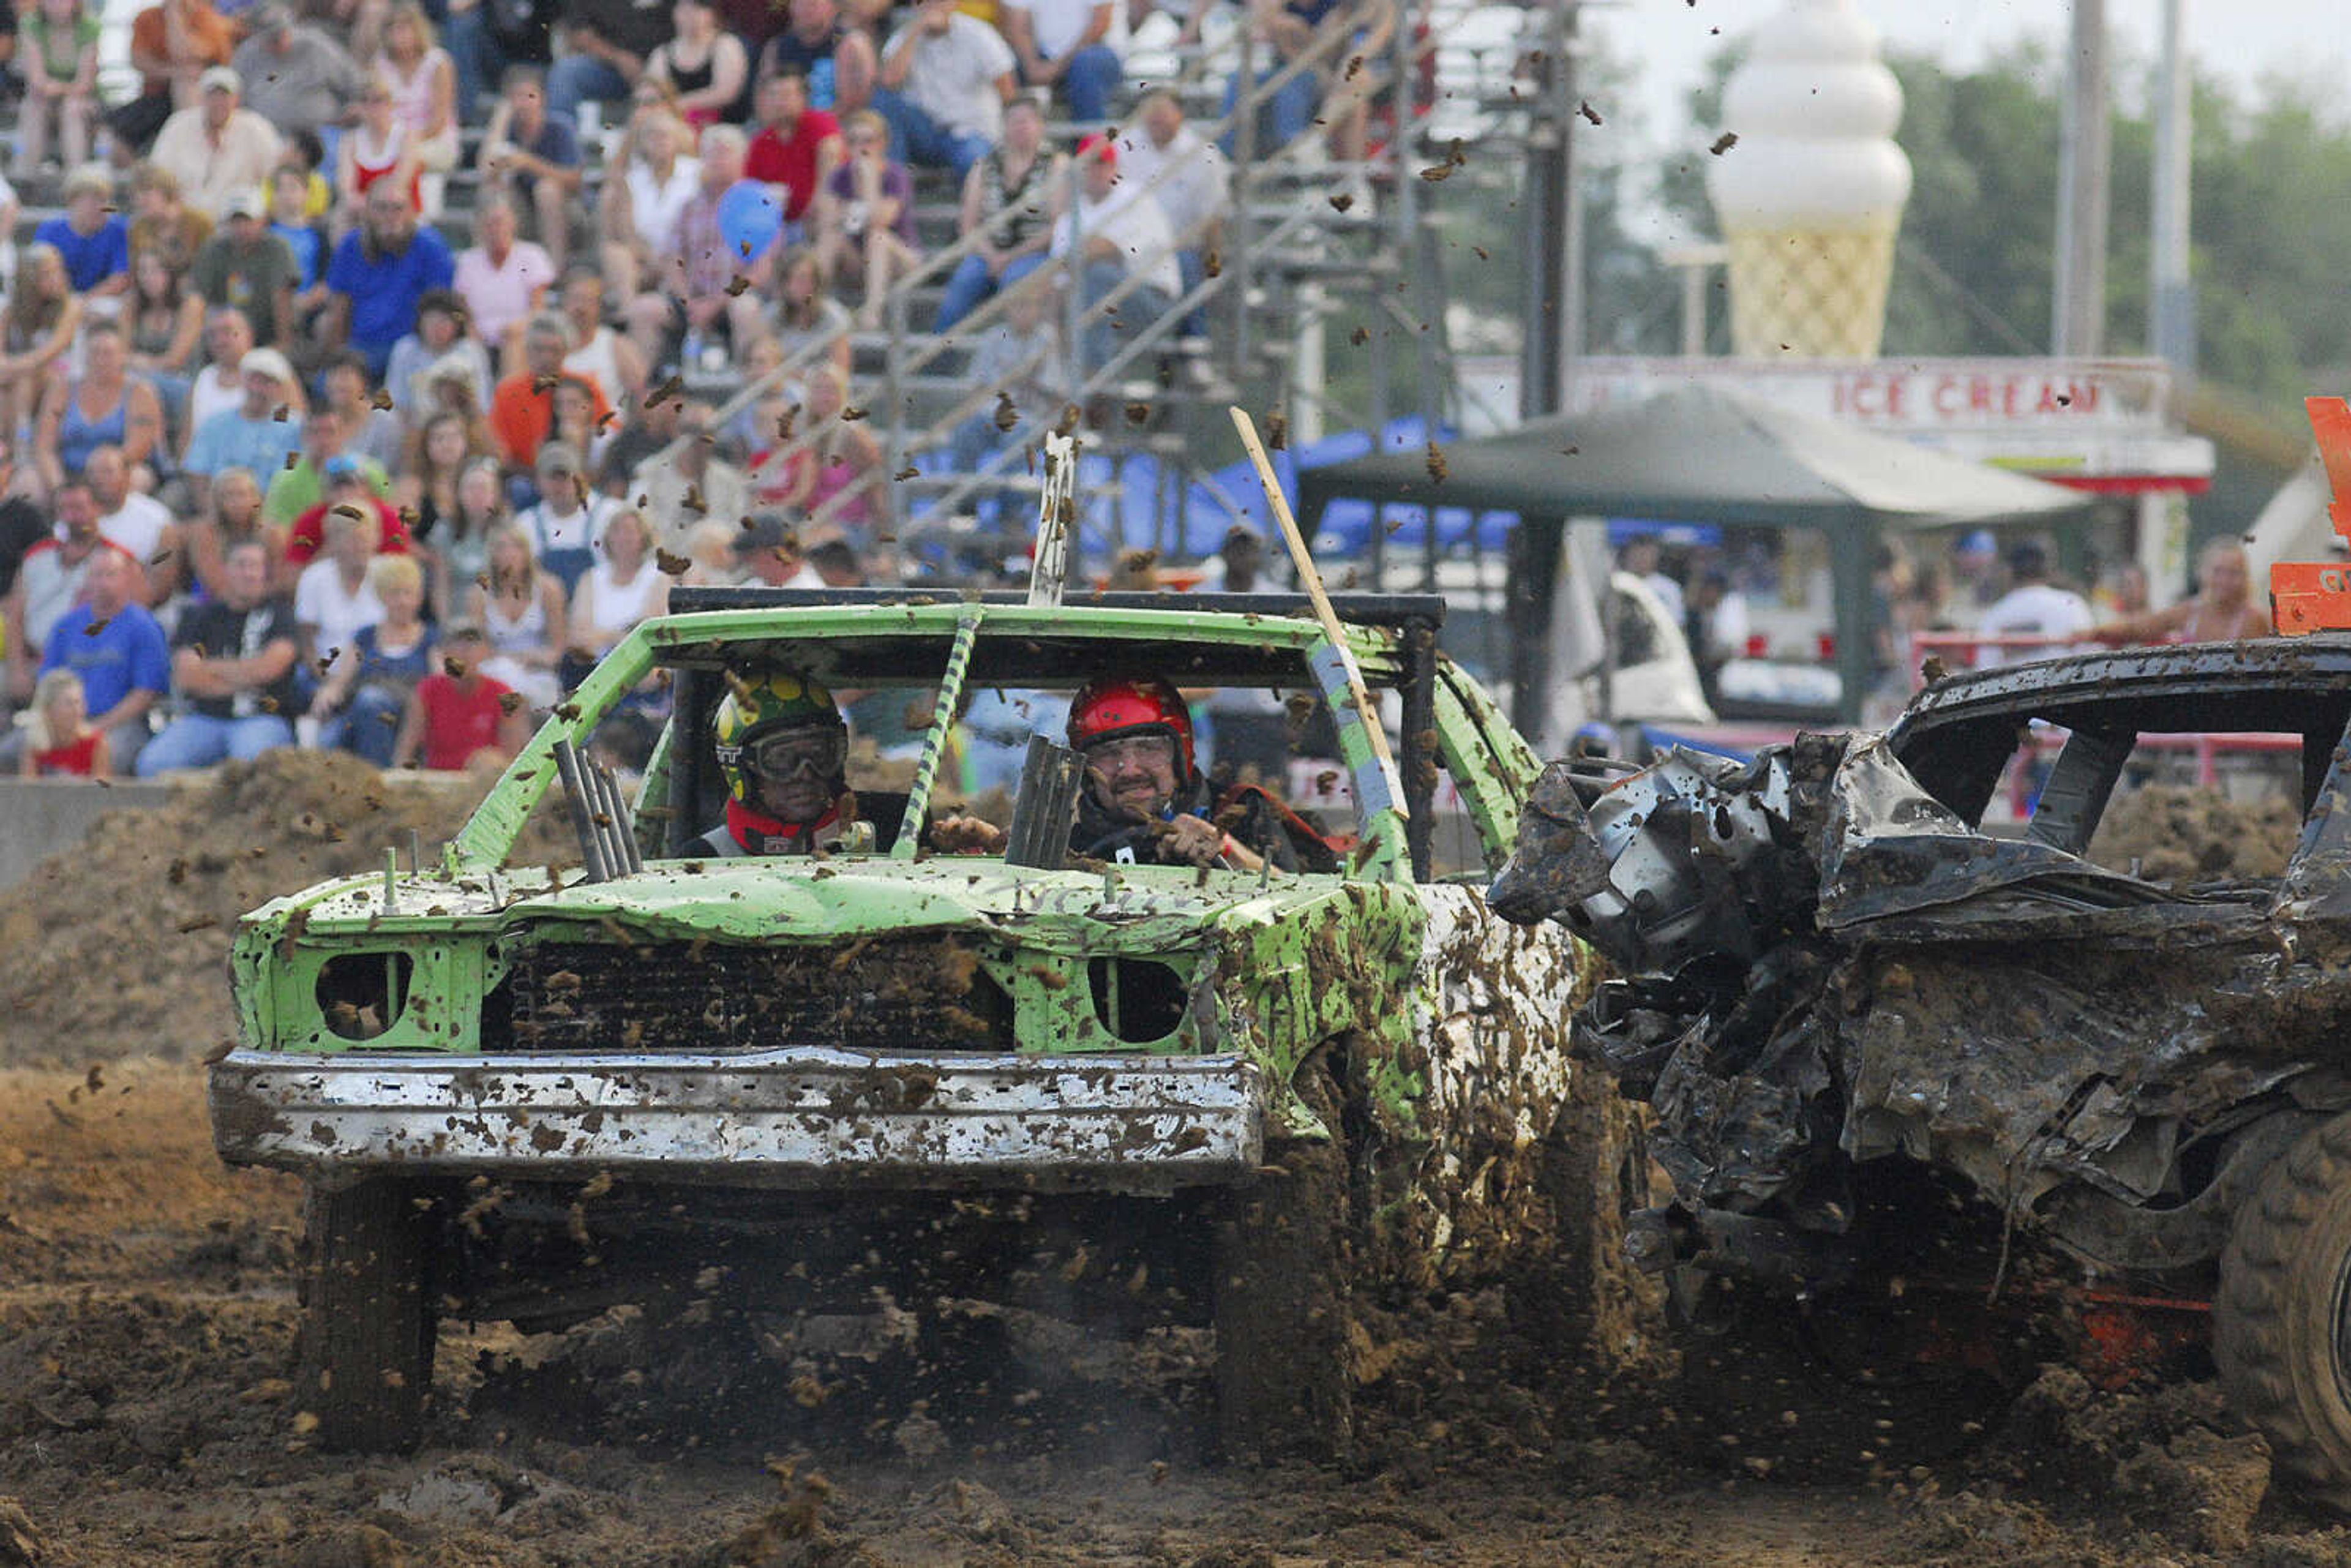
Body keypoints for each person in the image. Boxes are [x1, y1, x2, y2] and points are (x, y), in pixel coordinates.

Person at [1065, 673, 1303, 871]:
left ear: (1182, 753)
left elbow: (1305, 902)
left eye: (1148, 748)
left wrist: (1228, 851)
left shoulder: (1241, 811)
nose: (1129, 770)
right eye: (1108, 754)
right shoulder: (1066, 842)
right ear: (1086, 768)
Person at [136, 536, 299, 773]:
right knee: (152, 764)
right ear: (226, 570)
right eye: (242, 565)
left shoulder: (281, 615)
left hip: (262, 718)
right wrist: (248, 676)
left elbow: (271, 668)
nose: (249, 573)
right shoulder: (199, 616)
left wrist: (210, 668)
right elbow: (187, 677)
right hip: (205, 718)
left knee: (250, 768)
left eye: (256, 566)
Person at [699, 670, 898, 855]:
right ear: (742, 768)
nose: (806, 774)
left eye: (819, 753)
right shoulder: (705, 859)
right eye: (782, 758)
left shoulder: (898, 832)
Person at [26, 541, 171, 774]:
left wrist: (93, 729)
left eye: (111, 575)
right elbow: (48, 683)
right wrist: (62, 727)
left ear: (127, 578)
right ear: (86, 579)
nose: (103, 583)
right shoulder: (66, 625)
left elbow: (145, 694)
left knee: (104, 755)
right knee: (12, 752)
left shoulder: (144, 627)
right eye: (96, 575)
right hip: (61, 722)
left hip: (120, 725)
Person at [1048, 133, 1179, 376]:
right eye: (1090, 164)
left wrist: (1076, 259)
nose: (1097, 171)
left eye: (1103, 163)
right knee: (1059, 295)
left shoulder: (1135, 197)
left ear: (1114, 167)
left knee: (1097, 275)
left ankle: (1093, 378)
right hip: (1094, 306)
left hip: (1153, 303)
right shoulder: (1070, 216)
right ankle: (1076, 380)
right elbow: (1058, 280)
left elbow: (1108, 249)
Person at [932, 91, 1059, 332]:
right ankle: (936, 364)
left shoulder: (1056, 164)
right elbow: (968, 225)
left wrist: (1011, 258)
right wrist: (992, 256)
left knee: (1016, 283)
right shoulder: (984, 166)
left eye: (1027, 120)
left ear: (1040, 125)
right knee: (960, 287)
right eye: (1015, 121)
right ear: (1004, 126)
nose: (1021, 127)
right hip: (989, 252)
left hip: (1034, 253)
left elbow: (1057, 226)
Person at [1114, 88, 1228, 330]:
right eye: (1150, 111)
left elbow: (1212, 221)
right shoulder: (1123, 147)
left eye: (1163, 111)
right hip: (1130, 247)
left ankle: (1193, 345)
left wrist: (1212, 268)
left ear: (1180, 115)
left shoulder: (1204, 155)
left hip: (1181, 248)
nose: (1156, 118)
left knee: (1185, 265)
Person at [324, 184, 457, 381]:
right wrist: (336, 360)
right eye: (381, 208)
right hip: (361, 347)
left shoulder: (431, 248)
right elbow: (339, 310)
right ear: (368, 212)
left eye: (398, 208)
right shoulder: (350, 247)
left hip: (413, 348)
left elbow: (439, 309)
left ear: (412, 212)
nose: (390, 215)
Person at [312, 552, 435, 766]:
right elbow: (340, 681)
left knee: (371, 700)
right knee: (364, 706)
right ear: (382, 597)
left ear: (419, 597)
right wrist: (329, 692)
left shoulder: (431, 639)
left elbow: (439, 684)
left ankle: (382, 773)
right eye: (394, 594)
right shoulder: (366, 637)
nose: (402, 601)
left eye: (409, 593)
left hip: (411, 716)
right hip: (366, 712)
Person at [872, 0, 1016, 181]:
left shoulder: (978, 33)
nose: (932, 6)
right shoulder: (904, 36)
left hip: (970, 131)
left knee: (976, 164)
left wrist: (1008, 136)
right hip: (927, 131)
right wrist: (917, 30)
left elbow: (1006, 87)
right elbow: (889, 81)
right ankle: (893, 185)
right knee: (884, 100)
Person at [667, 126, 774, 364]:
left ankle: (745, 380)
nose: (717, 160)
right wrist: (689, 302)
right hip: (692, 300)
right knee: (647, 310)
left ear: (742, 158)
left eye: (725, 153)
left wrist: (716, 303)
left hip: (736, 298)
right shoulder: (689, 207)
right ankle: (649, 387)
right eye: (711, 154)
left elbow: (760, 271)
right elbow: (673, 262)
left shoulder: (758, 204)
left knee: (745, 309)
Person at [33, 322, 165, 497]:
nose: (101, 360)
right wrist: (60, 487)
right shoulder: (62, 390)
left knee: (139, 479)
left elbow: (137, 449)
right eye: (95, 353)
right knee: (29, 483)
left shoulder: (139, 393)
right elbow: (45, 448)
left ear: (122, 356)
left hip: (117, 470)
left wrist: (100, 476)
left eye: (108, 354)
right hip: (69, 472)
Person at [813, 110, 918, 329]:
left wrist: (869, 180)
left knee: (877, 237)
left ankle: (872, 314)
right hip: (858, 259)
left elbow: (881, 220)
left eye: (868, 140)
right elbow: (825, 221)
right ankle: (813, 308)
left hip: (898, 257)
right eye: (853, 141)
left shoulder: (895, 175)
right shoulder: (840, 176)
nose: (861, 147)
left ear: (882, 143)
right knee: (830, 237)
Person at [475, 67, 585, 274]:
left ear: (542, 99)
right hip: (521, 210)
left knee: (547, 190)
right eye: (516, 97)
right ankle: (493, 267)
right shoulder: (507, 130)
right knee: (492, 192)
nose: (523, 103)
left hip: (565, 212)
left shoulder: (559, 128)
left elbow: (575, 180)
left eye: (529, 96)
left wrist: (529, 164)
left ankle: (555, 269)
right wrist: (499, 122)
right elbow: (484, 171)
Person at [182, 347, 306, 514]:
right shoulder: (215, 424)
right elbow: (197, 471)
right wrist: (211, 513)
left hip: (269, 513)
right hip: (218, 510)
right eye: (253, 380)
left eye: (267, 382)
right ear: (243, 381)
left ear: (279, 388)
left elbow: (290, 480)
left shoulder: (294, 429)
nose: (258, 388)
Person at [150, 66, 283, 221]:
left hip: (237, 223)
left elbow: (276, 175)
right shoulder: (178, 125)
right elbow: (158, 175)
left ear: (237, 99)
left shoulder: (257, 128)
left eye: (225, 96)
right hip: (183, 221)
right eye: (212, 95)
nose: (219, 102)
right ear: (201, 98)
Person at [392, 618, 525, 770]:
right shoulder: (428, 690)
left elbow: (513, 757)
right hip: (439, 780)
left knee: (489, 761)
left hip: (482, 781)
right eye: (457, 643)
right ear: (445, 652)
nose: (465, 650)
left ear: (486, 652)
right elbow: (406, 748)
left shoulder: (502, 693)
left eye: (473, 643)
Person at [229, 2, 361, 148]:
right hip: (266, 140)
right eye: (271, 39)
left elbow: (355, 83)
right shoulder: (247, 57)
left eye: (281, 34)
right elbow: (235, 100)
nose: (279, 41)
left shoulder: (316, 46)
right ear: (257, 37)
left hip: (320, 137)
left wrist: (354, 106)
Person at [2093, 541, 2273, 646]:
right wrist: (2090, 634)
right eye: (2218, 571)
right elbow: (2137, 627)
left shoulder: (2256, 620)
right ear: (2202, 572)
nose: (2224, 581)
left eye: (2233, 573)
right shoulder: (2187, 612)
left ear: (2245, 577)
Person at [468, 520, 566, 707]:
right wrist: (510, 663)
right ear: (492, 555)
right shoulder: (479, 596)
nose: (510, 555)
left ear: (527, 553)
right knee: (502, 675)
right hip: (496, 669)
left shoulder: (549, 589)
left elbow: (558, 648)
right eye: (501, 548)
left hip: (537, 669)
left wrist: (530, 659)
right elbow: (480, 648)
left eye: (517, 547)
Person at [188, 190, 297, 351]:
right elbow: (198, 295)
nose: (241, 228)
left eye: (247, 221)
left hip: (266, 332)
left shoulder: (276, 249)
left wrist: (283, 343)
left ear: (262, 221)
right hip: (222, 327)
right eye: (236, 222)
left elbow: (282, 296)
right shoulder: (213, 250)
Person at [744, 69, 844, 241]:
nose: (780, 102)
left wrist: (817, 203)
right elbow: (750, 189)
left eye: (787, 95)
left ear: (802, 98)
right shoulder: (760, 143)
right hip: (780, 226)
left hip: (824, 217)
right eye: (774, 95)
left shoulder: (818, 123)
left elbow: (832, 156)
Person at [455, 194, 558, 357]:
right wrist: (472, 333)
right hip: (479, 340)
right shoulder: (467, 261)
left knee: (514, 347)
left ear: (513, 223)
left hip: (520, 336)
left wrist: (516, 329)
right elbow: (461, 311)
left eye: (500, 222)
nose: (496, 230)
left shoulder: (532, 255)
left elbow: (538, 309)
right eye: (489, 224)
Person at [544, 0, 678, 124]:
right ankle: (561, 138)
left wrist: (658, 64)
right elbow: (579, 33)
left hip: (671, 67)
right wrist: (618, 59)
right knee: (567, 72)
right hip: (610, 70)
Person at [0, 244, 82, 441]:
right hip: (19, 378)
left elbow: (50, 352)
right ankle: (9, 452)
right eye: (47, 274)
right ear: (29, 279)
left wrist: (9, 367)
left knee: (26, 378)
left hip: (62, 375)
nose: (56, 278)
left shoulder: (72, 307)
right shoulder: (11, 311)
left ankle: (22, 441)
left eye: (58, 270)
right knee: (6, 394)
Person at [1976, 539, 2095, 669]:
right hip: (2072, 686)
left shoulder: (1995, 614)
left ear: (2009, 572)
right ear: (2048, 569)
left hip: (2014, 688)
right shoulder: (2072, 603)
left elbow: (1984, 668)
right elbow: (2092, 657)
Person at [15, 0, 100, 178]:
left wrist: (56, 88)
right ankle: (26, 177)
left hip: (83, 103)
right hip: (43, 100)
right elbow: (37, 81)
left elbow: (85, 84)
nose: (57, 5)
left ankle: (76, 178)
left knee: (72, 108)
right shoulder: (31, 24)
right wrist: (63, 88)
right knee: (31, 108)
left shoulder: (90, 26)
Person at [1000, 0, 1117, 125]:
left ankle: (1089, 139)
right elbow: (1016, 26)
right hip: (1040, 57)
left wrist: (1056, 67)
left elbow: (1100, 24)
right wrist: (1032, 66)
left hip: (1093, 53)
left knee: (1085, 66)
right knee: (1003, 66)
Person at [754, 0, 877, 116]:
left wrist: (817, 127)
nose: (806, 8)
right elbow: (763, 99)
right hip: (789, 128)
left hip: (839, 127)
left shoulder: (851, 44)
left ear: (833, 7)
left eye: (814, 3)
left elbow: (856, 102)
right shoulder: (777, 47)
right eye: (800, 2)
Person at [645, 0, 750, 129]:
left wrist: (681, 104)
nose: (691, 16)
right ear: (674, 14)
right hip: (675, 127)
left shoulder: (726, 45)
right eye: (685, 10)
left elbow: (725, 93)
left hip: (722, 126)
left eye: (697, 9)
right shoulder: (661, 54)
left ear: (711, 14)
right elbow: (651, 90)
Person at [32, 163, 130, 296]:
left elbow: (120, 279)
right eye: (92, 202)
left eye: (104, 201)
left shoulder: (119, 230)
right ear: (72, 202)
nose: (100, 208)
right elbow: (39, 273)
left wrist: (84, 303)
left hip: (101, 302)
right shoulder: (50, 230)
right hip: (59, 299)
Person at [15, 669, 110, 777]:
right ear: (48, 710)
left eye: (79, 703)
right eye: (69, 704)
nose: (77, 711)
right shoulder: (35, 745)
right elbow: (27, 790)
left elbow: (103, 789)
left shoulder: (95, 743)